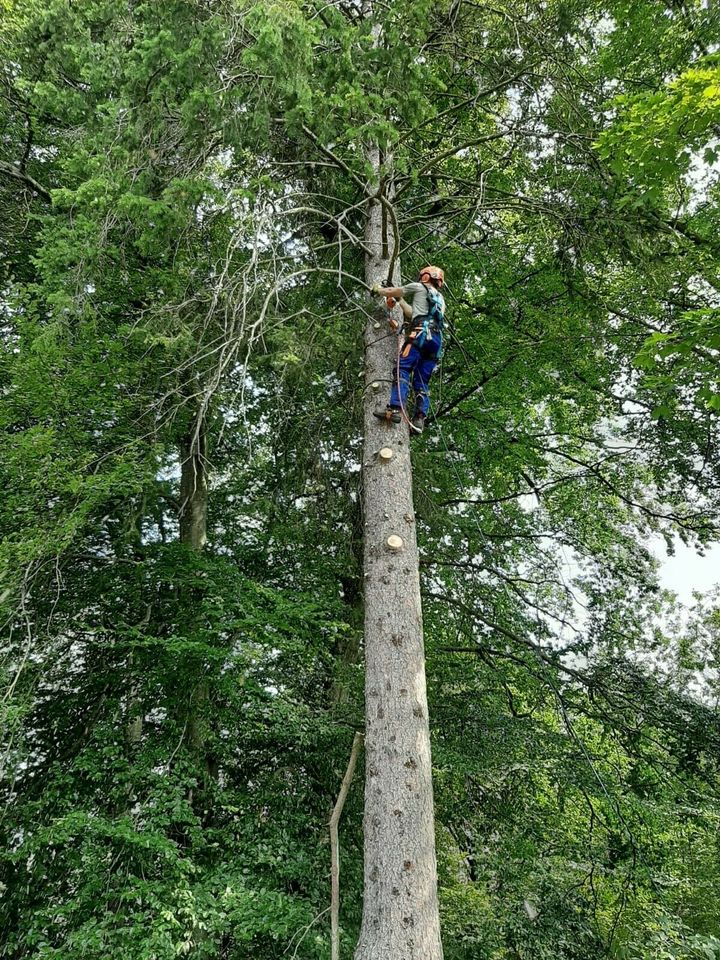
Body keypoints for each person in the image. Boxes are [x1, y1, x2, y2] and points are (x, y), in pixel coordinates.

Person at [371, 265, 446, 434]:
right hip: (435, 340)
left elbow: (395, 290)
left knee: (403, 368)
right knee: (421, 381)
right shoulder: (440, 299)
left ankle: (395, 408)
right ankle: (419, 419)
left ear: (426, 277)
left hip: (419, 334)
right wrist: (400, 302)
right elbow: (413, 313)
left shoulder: (419, 286)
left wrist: (379, 290)